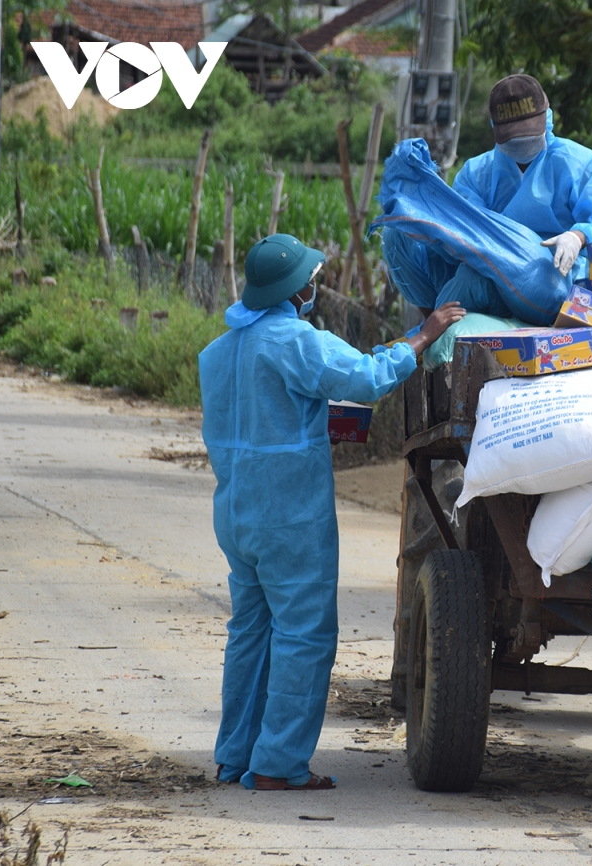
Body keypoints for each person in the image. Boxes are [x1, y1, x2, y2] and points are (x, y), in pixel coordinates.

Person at [199, 234, 464, 791]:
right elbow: (367, 377)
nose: (314, 289)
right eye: (310, 281)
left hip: (237, 510)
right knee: (303, 634)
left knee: (250, 630)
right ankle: (277, 765)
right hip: (288, 513)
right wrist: (423, 335)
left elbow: (260, 421)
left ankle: (235, 757)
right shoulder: (295, 340)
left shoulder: (220, 352)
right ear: (297, 291)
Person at [382, 74, 592, 314]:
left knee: (472, 281)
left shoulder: (582, 164)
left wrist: (578, 236)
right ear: (494, 128)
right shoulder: (476, 173)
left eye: (529, 133)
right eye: (513, 137)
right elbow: (465, 234)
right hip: (481, 266)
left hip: (553, 277)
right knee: (399, 232)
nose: (522, 142)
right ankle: (430, 321)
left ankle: (429, 335)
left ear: (547, 118)